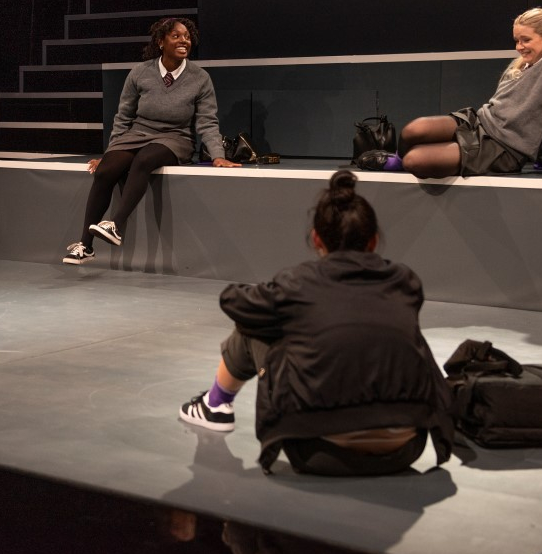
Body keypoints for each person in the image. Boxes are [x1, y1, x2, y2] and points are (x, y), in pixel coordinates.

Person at [178, 171, 453, 476]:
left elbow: (232, 301)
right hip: (408, 449)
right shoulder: (405, 281)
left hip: (318, 451)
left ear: (315, 239)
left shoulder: (298, 283)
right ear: (374, 240)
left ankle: (215, 405)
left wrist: (278, 302)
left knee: (255, 325)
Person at [63, 17, 240, 265]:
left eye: (187, 37)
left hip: (175, 138)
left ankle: (115, 224)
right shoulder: (140, 72)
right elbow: (123, 117)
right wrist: (111, 150)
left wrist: (218, 155)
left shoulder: (200, 78)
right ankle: (85, 245)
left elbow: (207, 122)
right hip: (137, 134)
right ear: (161, 41)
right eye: (176, 36)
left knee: (145, 159)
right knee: (106, 170)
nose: (184, 41)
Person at [358, 7, 542, 179]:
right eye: (516, 40)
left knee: (416, 162)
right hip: (479, 121)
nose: (519, 47)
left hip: (502, 148)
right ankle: (397, 160)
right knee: (413, 130)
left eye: (525, 40)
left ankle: (401, 162)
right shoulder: (520, 65)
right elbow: (529, 113)